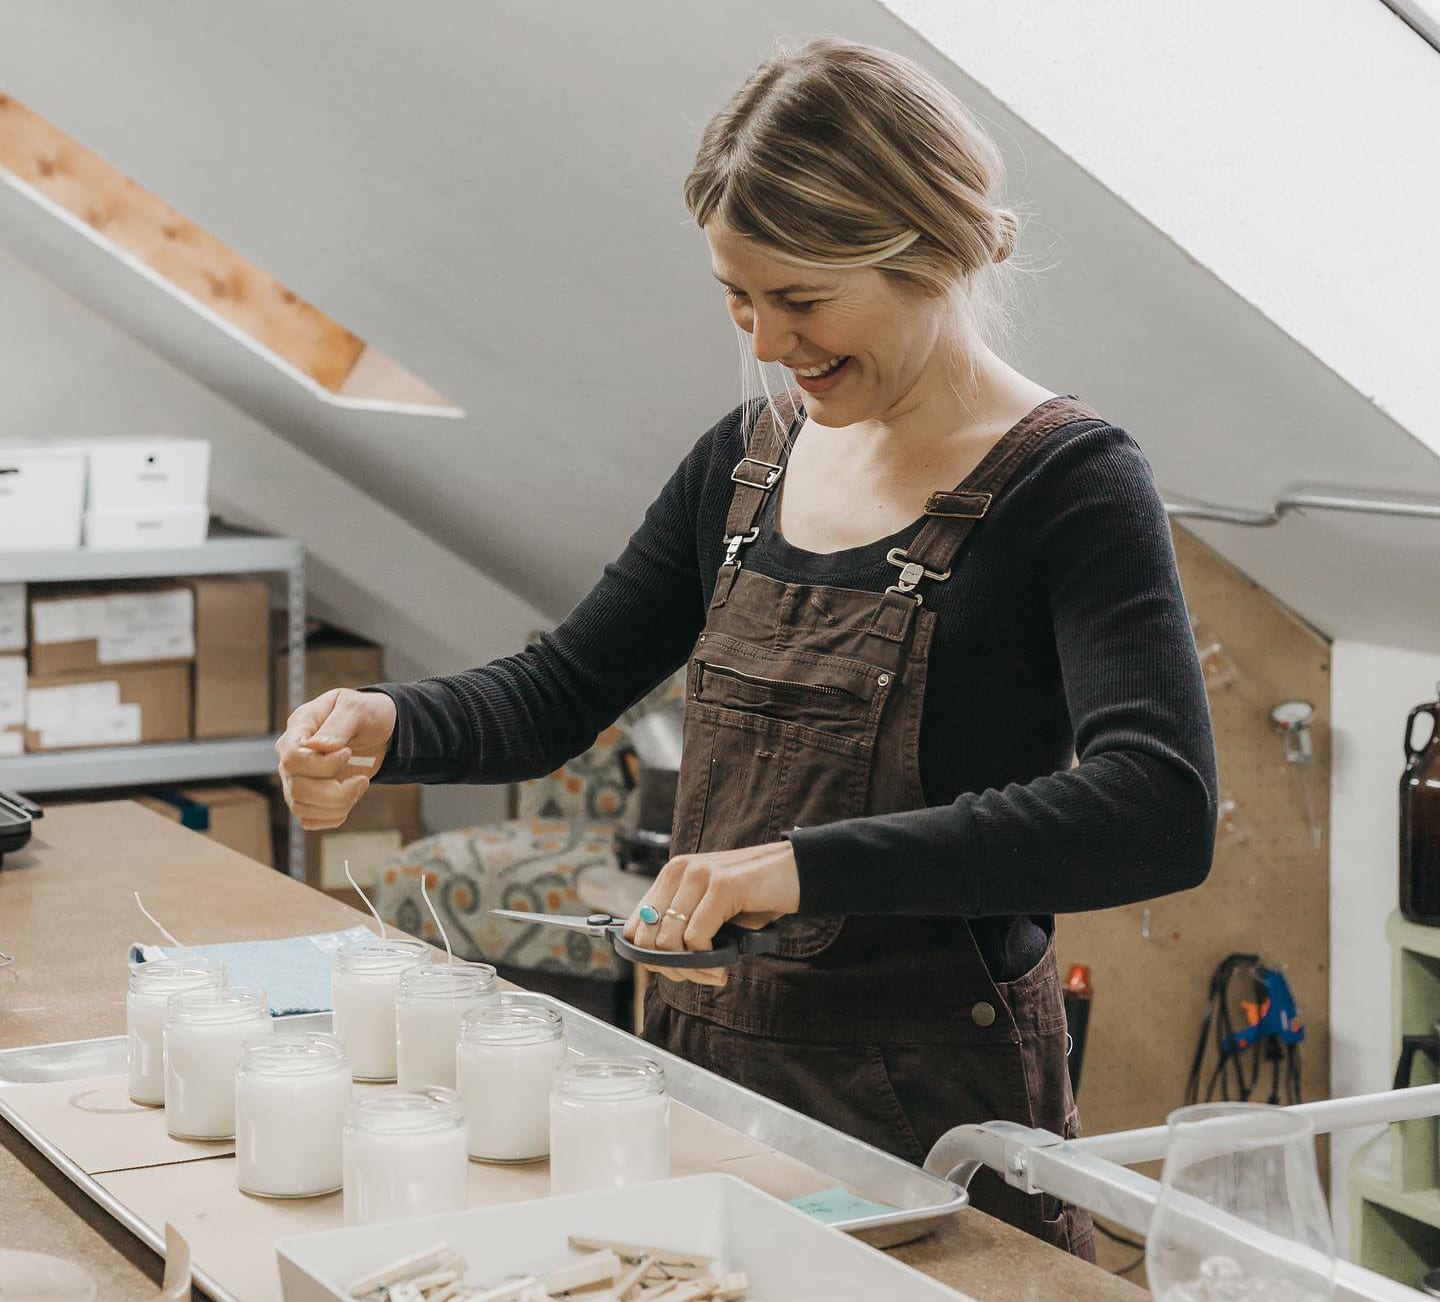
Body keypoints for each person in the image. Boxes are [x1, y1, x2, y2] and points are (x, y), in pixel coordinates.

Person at [276, 38, 1217, 1259]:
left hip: (934, 1122)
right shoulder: (749, 459)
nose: (769, 341)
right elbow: (564, 688)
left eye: (804, 299)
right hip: (697, 1074)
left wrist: (800, 867)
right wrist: (386, 721)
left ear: (929, 252)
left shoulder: (1072, 486)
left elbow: (1157, 808)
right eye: (739, 296)